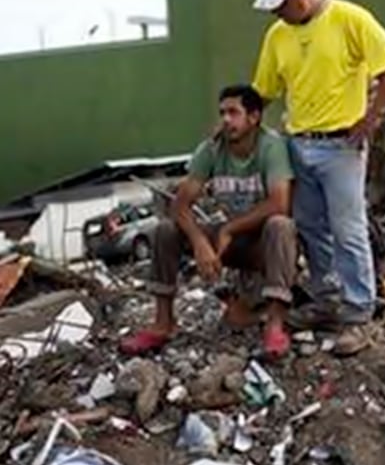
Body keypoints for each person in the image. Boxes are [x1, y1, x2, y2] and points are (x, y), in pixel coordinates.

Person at [250, 0, 385, 355]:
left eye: (281, 2)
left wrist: (372, 119)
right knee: (311, 226)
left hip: (341, 146)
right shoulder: (278, 35)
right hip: (298, 143)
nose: (277, 12)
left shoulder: (350, 19)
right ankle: (328, 300)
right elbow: (264, 89)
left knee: (348, 228)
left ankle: (358, 313)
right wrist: (241, 122)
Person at [120, 85, 298, 359]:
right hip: (230, 244)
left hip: (264, 245)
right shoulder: (212, 149)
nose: (226, 119)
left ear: (254, 117)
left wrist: (229, 228)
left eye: (234, 113)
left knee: (281, 225)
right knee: (165, 230)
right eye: (222, 113)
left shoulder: (271, 146)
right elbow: (180, 204)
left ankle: (275, 326)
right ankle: (163, 323)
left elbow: (279, 203)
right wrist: (200, 241)